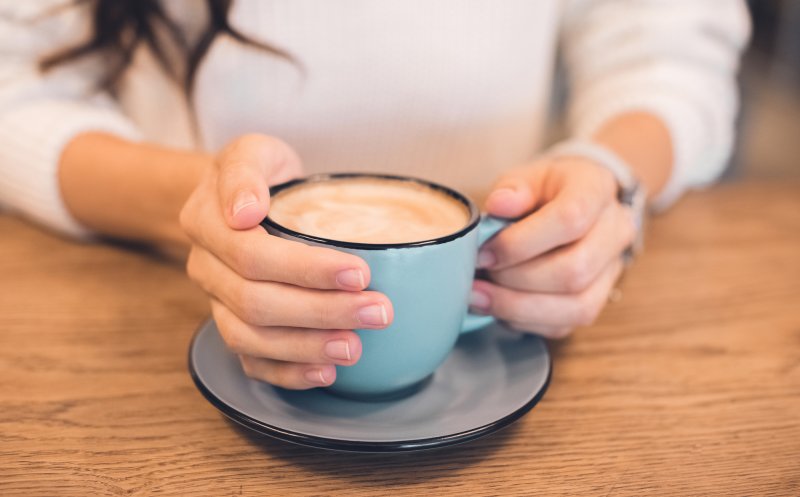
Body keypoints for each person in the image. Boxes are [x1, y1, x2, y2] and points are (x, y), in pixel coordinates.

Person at [0, 1, 749, 389]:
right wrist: (196, 202)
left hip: (516, 337)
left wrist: (604, 177)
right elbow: (14, 88)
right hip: (157, 323)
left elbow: (667, 50)